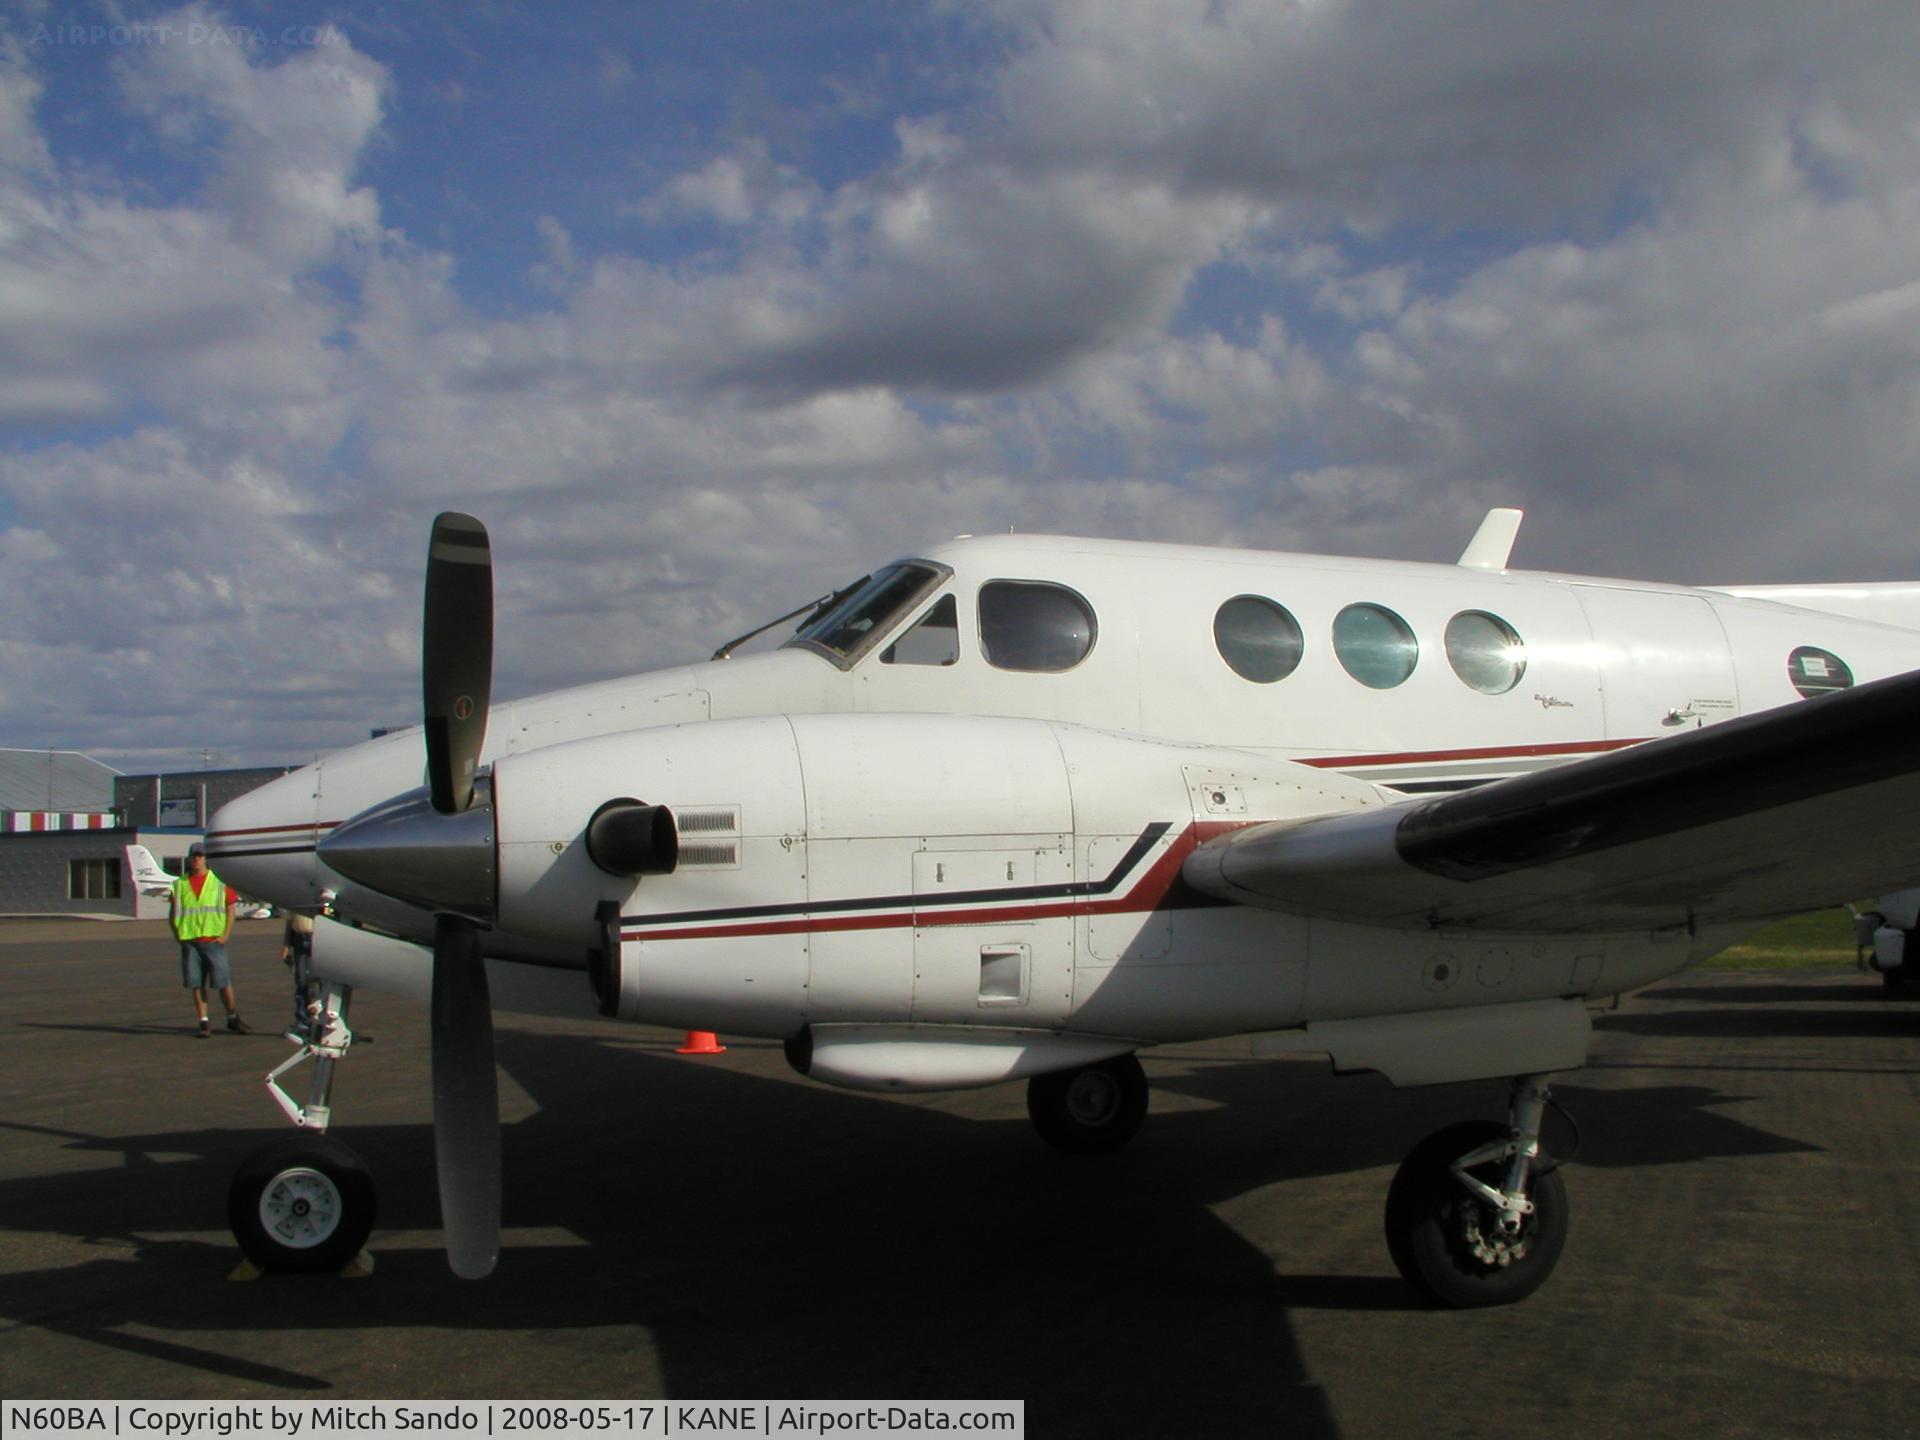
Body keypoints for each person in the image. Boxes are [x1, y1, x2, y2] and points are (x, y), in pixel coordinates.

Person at [169, 842, 251, 1037]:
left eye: (200, 855)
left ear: (206, 858)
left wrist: (225, 935)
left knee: (223, 981)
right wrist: (178, 935)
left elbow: (231, 909)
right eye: (193, 856)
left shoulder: (219, 882)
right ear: (189, 859)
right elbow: (173, 914)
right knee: (196, 983)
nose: (196, 859)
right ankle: (203, 1021)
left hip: (214, 941)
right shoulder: (179, 885)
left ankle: (232, 1017)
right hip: (190, 942)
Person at [280, 911, 317, 1042]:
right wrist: (286, 944)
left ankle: (321, 1023)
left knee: (321, 983)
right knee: (302, 983)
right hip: (300, 938)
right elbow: (290, 920)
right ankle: (303, 1023)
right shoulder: (297, 897)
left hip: (319, 938)